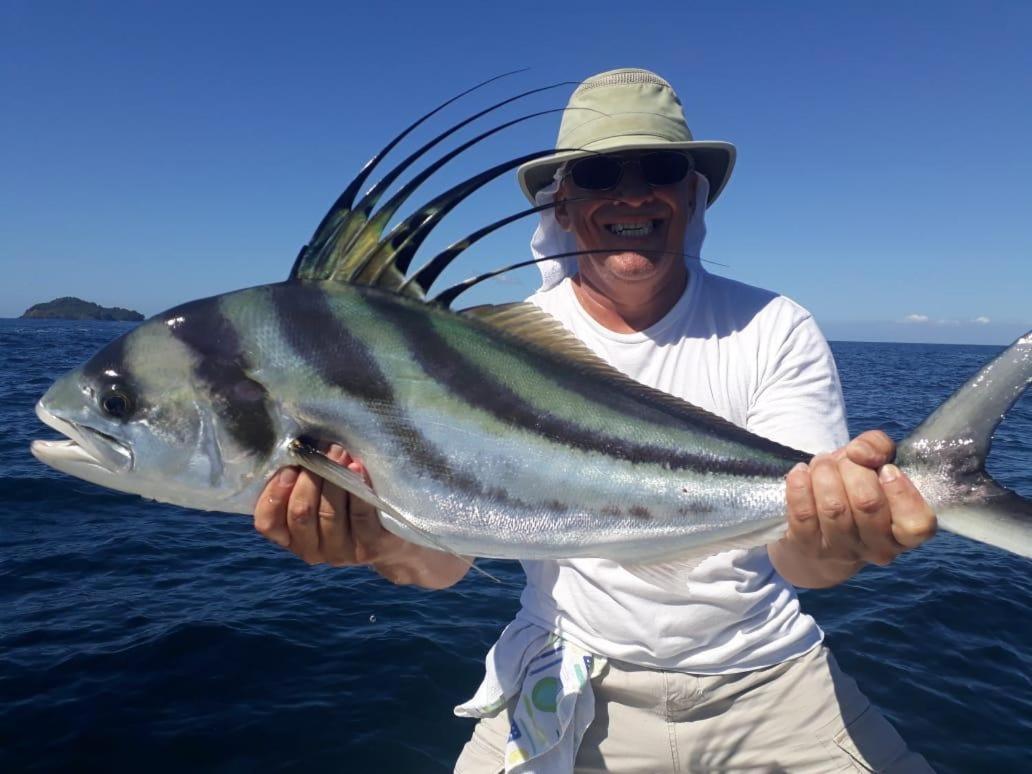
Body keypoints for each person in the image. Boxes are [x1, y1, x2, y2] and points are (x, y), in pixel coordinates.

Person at [253, 69, 937, 772]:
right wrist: (371, 539)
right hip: (564, 680)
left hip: (769, 682)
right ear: (562, 202)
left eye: (660, 169)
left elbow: (800, 560)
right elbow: (447, 558)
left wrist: (845, 534)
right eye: (600, 174)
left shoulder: (773, 326)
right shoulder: (495, 345)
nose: (632, 193)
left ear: (690, 193)